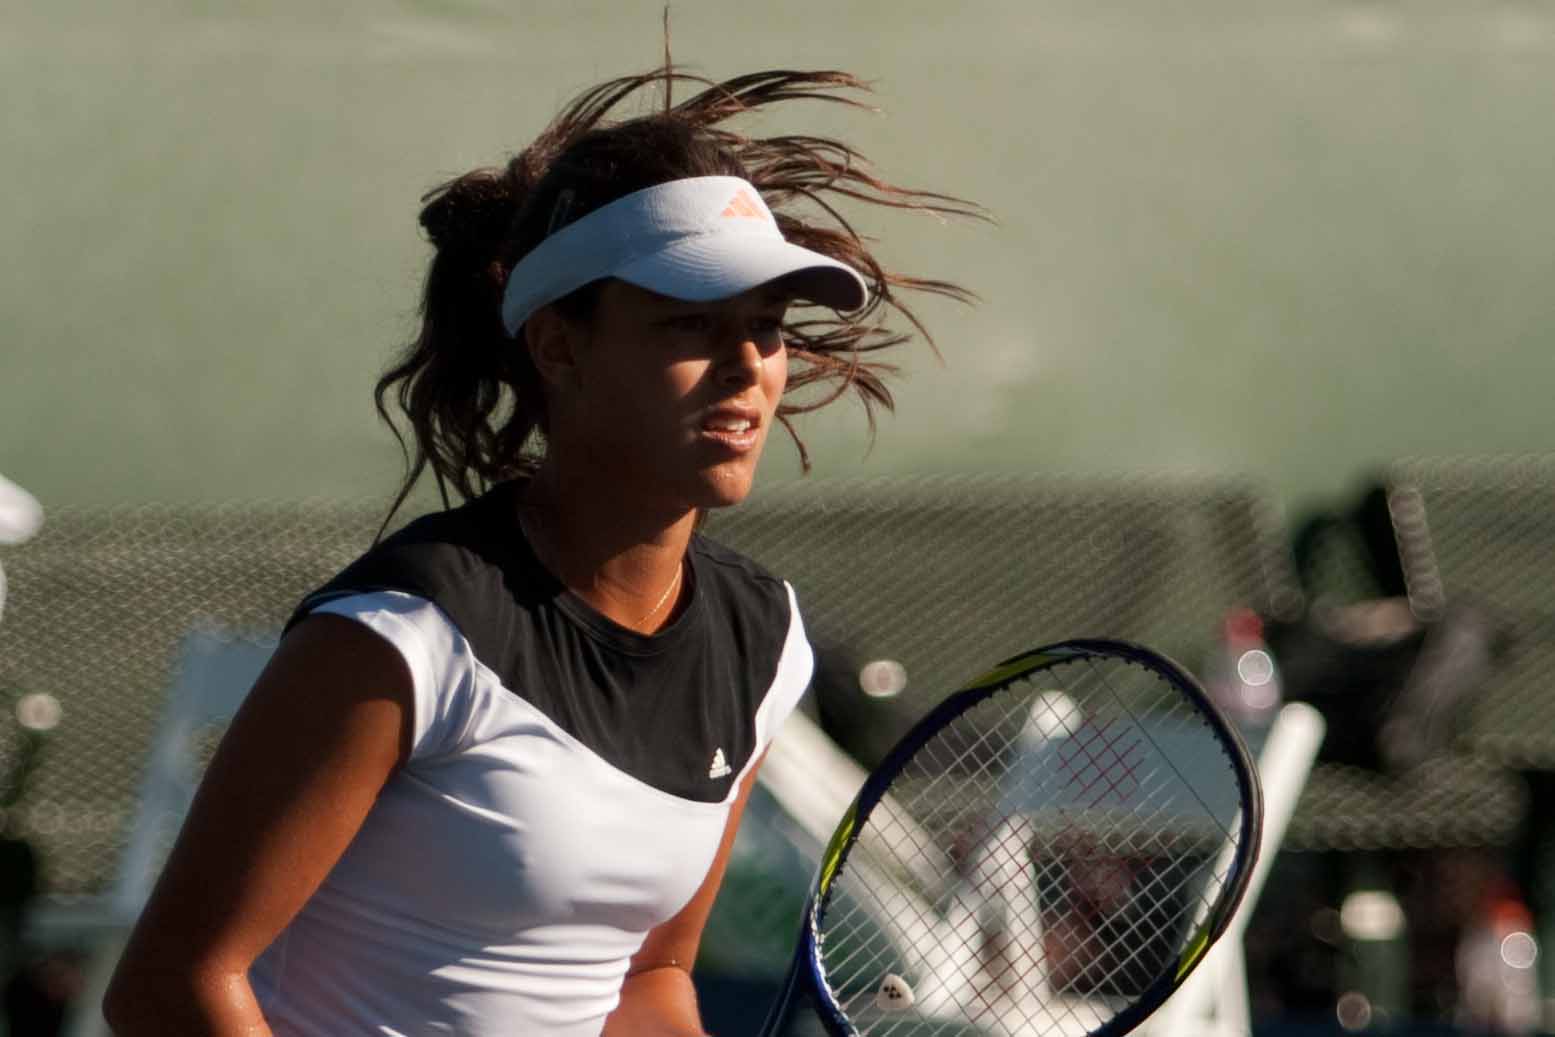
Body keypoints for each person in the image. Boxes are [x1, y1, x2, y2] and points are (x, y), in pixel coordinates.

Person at [103, 66, 977, 1037]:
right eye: (693, 321)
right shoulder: (399, 640)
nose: (746, 366)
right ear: (560, 345)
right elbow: (171, 988)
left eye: (767, 328)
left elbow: (648, 980)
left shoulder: (763, 641)